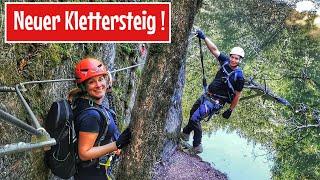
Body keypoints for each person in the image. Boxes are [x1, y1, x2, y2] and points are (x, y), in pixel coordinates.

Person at [181, 29, 245, 154]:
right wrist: (204, 37)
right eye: (232, 57)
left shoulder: (239, 76)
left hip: (216, 102)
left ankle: (197, 146)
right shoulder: (225, 62)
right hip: (207, 95)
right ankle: (185, 134)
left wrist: (230, 110)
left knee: (195, 119)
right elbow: (214, 50)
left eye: (236, 59)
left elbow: (237, 95)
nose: (233, 60)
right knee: (192, 112)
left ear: (240, 60)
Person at [69, 58, 131, 179]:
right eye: (91, 82)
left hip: (92, 170)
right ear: (84, 86)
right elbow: (84, 153)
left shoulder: (84, 101)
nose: (98, 85)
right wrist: (116, 144)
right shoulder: (91, 116)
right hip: (90, 174)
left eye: (100, 79)